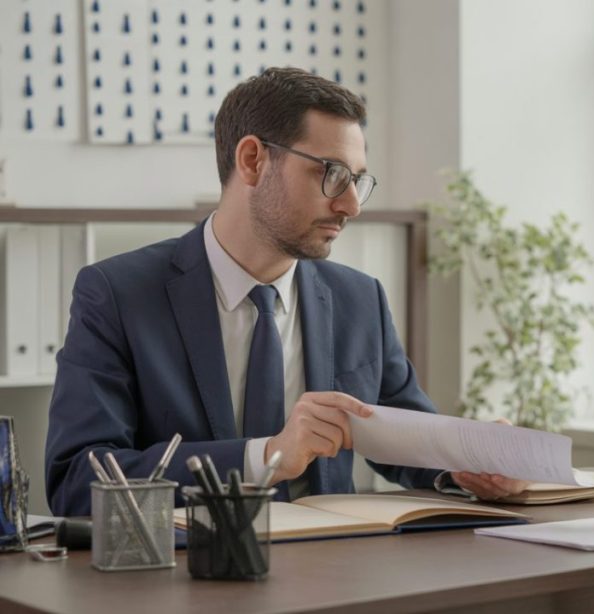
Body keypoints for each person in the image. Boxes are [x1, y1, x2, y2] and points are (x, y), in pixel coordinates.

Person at [45, 67, 523, 516]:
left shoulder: (360, 300)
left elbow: (410, 442)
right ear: (253, 160)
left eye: (357, 180)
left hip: (339, 580)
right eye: (332, 173)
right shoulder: (117, 294)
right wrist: (266, 456)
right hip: (189, 583)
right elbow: (77, 484)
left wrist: (471, 460)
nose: (351, 205)